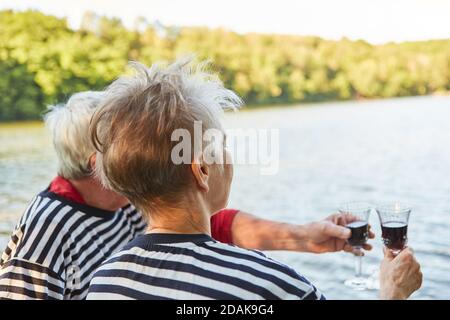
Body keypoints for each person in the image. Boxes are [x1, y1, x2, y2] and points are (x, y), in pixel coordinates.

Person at [86, 58, 422, 300]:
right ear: (201, 170)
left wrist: (303, 236)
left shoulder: (104, 281)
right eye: (223, 148)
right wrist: (392, 292)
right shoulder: (269, 285)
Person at [0, 92, 372, 300]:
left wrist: (305, 236)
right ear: (101, 163)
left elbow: (203, 225)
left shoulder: (127, 197)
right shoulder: (48, 227)